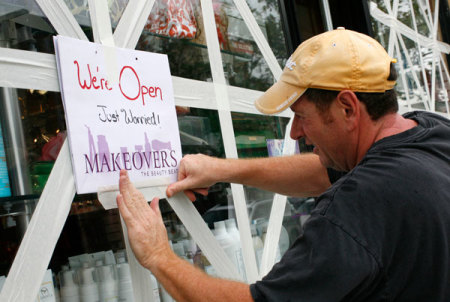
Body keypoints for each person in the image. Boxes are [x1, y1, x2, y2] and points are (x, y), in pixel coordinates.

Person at [116, 28, 450, 301]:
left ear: (347, 107)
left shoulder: (358, 205)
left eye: (302, 117)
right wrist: (222, 170)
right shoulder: (432, 134)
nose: (295, 132)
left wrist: (160, 257)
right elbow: (321, 172)